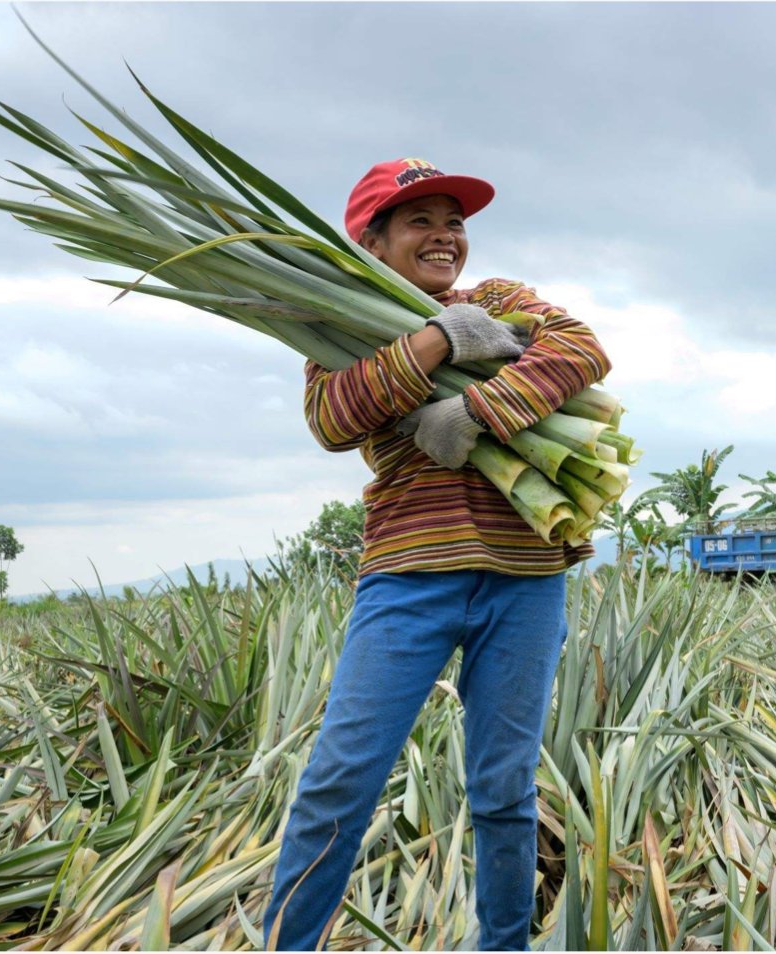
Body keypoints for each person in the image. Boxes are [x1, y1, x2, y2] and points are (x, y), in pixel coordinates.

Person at [262, 158, 612, 951]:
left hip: (525, 580)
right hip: (407, 577)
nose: (446, 235)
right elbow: (333, 417)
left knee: (503, 790)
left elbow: (583, 350)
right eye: (419, 220)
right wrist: (434, 340)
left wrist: (477, 411)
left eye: (454, 221)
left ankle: (503, 945)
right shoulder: (335, 329)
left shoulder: (497, 301)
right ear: (373, 242)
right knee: (339, 783)